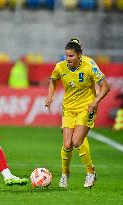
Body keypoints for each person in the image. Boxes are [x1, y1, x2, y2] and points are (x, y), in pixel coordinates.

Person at [45, 40, 110, 188]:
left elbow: (105, 86)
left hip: (86, 108)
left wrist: (95, 102)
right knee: (67, 144)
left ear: (79, 55)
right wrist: (50, 96)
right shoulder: (60, 67)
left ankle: (90, 172)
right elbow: (53, 80)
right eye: (66, 56)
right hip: (68, 109)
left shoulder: (89, 67)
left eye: (71, 56)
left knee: (77, 141)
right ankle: (65, 173)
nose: (67, 58)